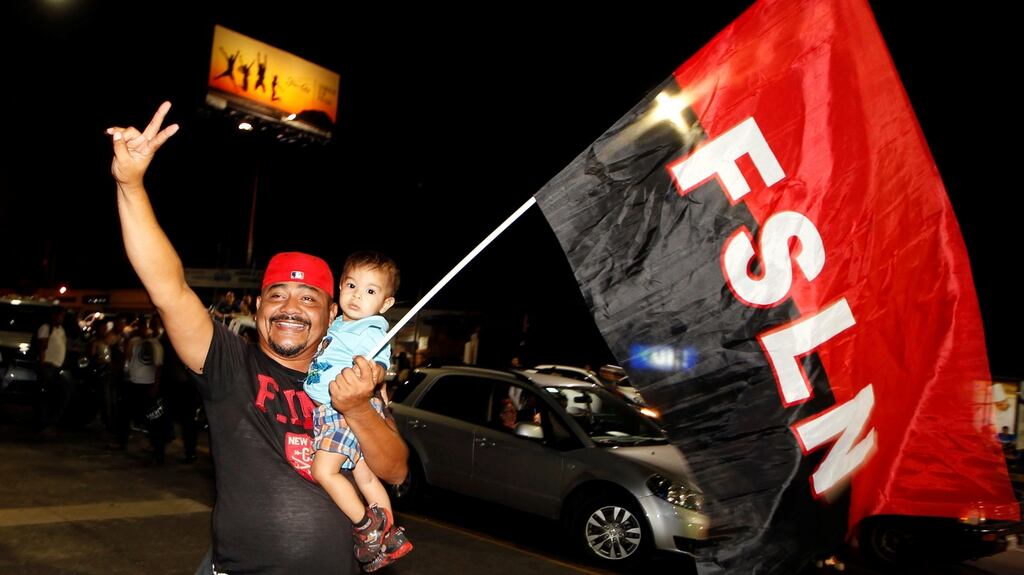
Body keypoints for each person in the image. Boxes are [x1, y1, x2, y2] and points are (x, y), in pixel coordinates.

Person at [107, 101, 408, 574]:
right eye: (277, 296)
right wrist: (130, 184)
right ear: (256, 307)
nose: (290, 308)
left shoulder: (361, 373)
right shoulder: (229, 363)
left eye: (308, 299)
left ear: (334, 313)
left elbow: (395, 470)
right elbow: (168, 289)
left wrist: (356, 406)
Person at [304, 251, 412, 572]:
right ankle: (390, 536)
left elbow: (377, 366)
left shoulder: (371, 330)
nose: (356, 295)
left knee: (324, 471)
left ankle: (366, 525)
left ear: (386, 304)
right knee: (364, 476)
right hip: (341, 409)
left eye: (369, 291)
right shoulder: (343, 324)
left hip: (341, 409)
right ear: (340, 286)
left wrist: (373, 378)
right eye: (351, 285)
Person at [35, 307, 71, 432]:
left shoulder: (61, 330)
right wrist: (42, 367)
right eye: (60, 316)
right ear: (54, 316)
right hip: (48, 366)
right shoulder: (46, 328)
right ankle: (44, 423)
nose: (62, 318)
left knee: (63, 393)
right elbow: (42, 349)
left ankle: (49, 421)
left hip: (57, 367)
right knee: (48, 396)